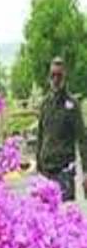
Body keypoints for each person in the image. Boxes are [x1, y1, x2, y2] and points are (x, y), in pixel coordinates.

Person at [36, 57, 87, 201]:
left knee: (65, 217)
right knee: (46, 219)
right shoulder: (45, 104)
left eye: (59, 75)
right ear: (49, 77)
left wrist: (86, 171)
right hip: (46, 172)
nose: (56, 79)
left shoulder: (72, 105)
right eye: (53, 75)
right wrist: (38, 167)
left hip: (65, 171)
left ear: (64, 77)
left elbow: (82, 139)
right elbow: (40, 135)